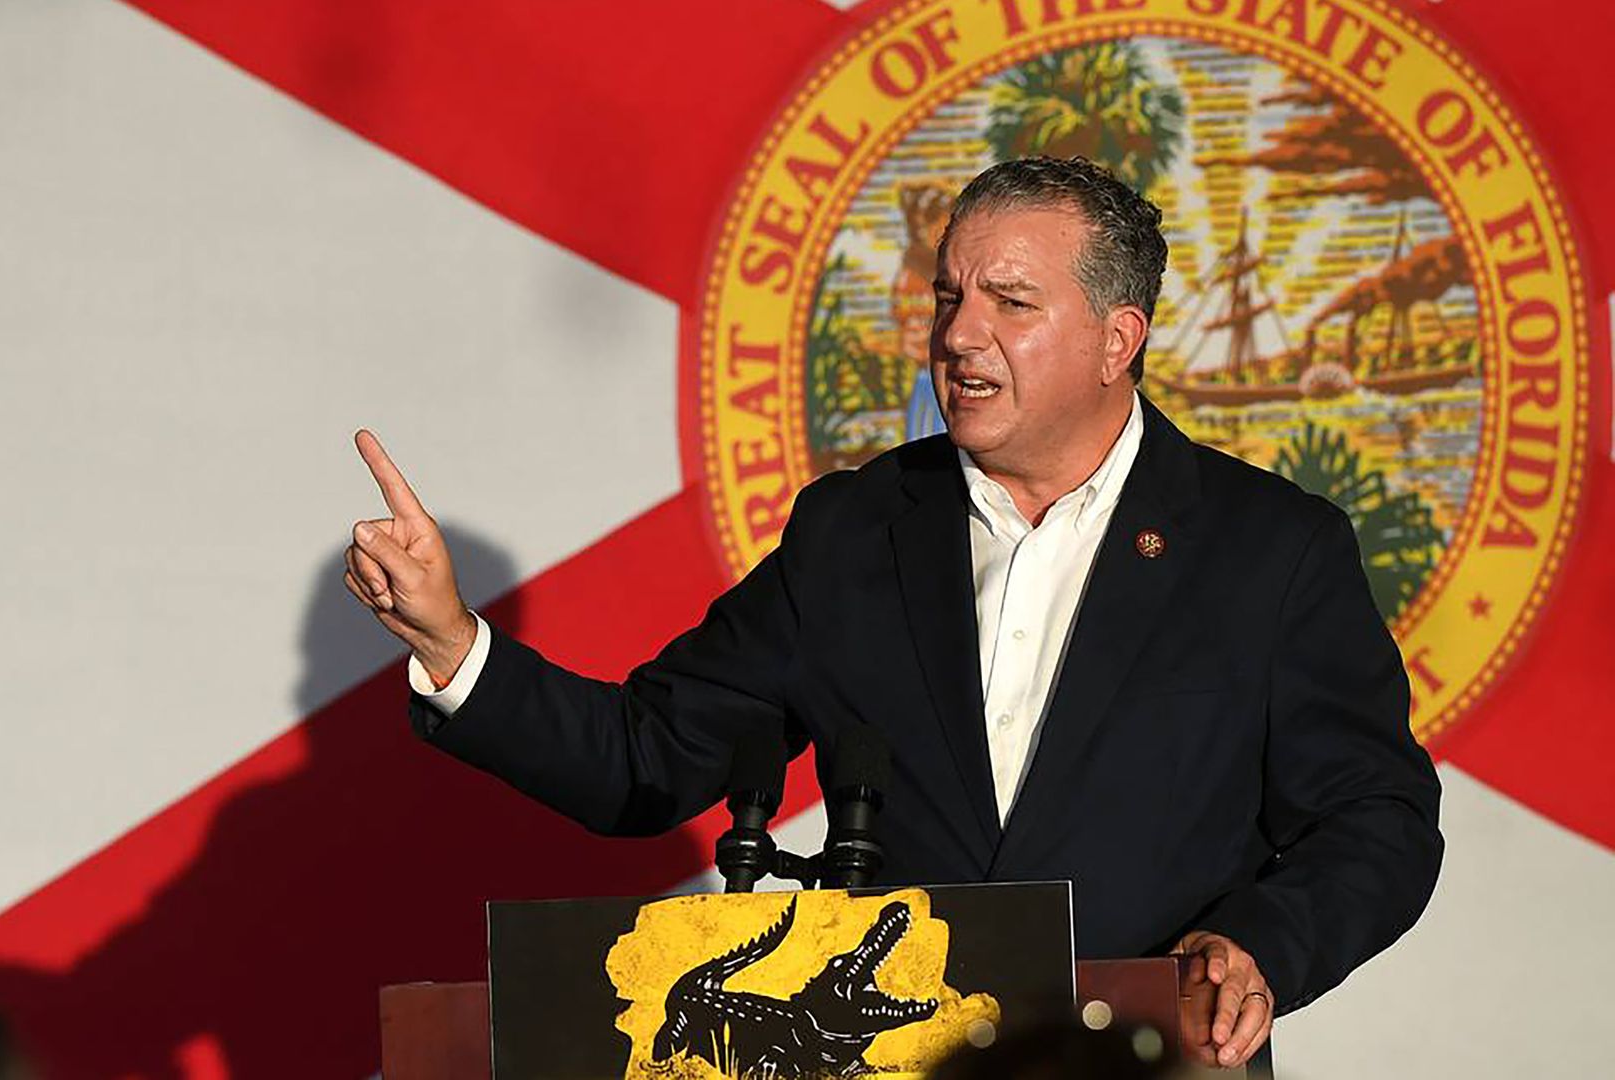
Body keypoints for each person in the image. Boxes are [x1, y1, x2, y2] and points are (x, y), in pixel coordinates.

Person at [343, 156, 1443, 1070]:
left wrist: (1264, 943)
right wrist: (453, 644)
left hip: (1151, 1060)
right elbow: (652, 759)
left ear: (1119, 341)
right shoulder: (858, 532)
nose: (961, 336)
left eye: (1012, 304)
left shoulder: (1269, 550)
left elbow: (1376, 820)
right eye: (948, 298)